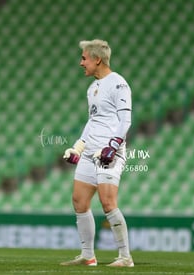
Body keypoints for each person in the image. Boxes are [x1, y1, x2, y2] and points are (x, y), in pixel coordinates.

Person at [61, 39, 134, 267]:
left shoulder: (118, 84)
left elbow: (126, 120)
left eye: (84, 58)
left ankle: (125, 257)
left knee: (108, 203)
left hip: (108, 152)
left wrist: (112, 146)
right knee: (79, 201)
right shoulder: (92, 88)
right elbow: (92, 122)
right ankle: (88, 255)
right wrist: (78, 147)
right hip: (90, 150)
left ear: (97, 59)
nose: (81, 63)